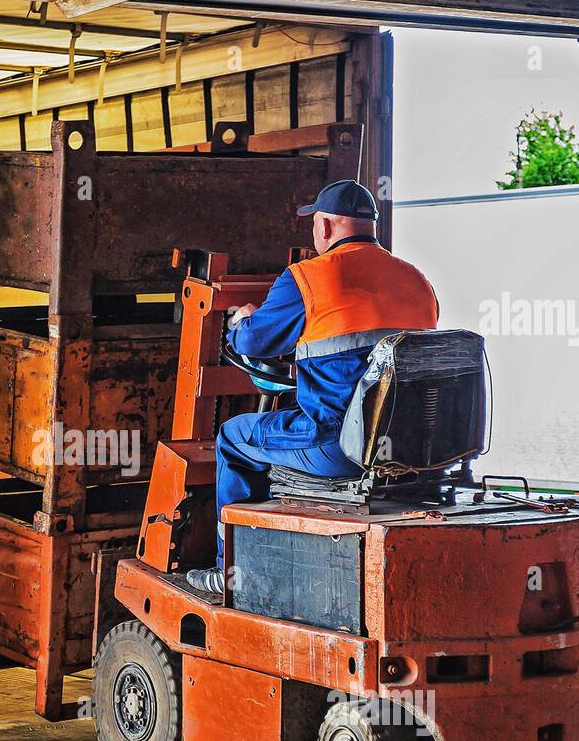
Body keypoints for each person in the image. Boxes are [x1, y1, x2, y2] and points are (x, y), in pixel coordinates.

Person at [186, 179, 439, 598]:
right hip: (411, 451)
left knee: (233, 438)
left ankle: (228, 571)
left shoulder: (306, 279)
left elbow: (253, 343)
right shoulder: (416, 280)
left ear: (324, 227)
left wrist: (243, 320)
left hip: (338, 447)